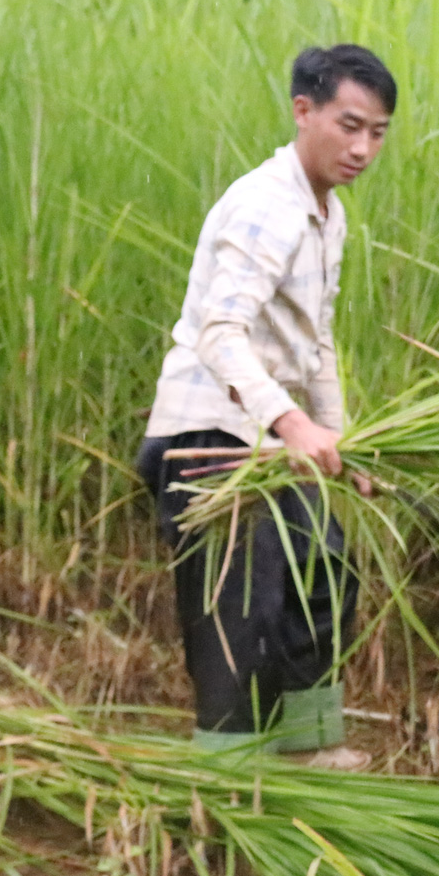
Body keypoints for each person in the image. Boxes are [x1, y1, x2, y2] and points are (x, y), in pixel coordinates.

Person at [134, 44, 392, 770]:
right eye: (349, 125)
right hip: (206, 435)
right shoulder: (265, 206)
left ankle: (307, 747)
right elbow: (221, 329)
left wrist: (338, 440)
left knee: (324, 572)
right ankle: (230, 780)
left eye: (377, 132)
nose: (363, 147)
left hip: (269, 438)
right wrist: (294, 423)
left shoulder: (326, 214)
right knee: (239, 608)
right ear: (303, 110)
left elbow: (317, 341)